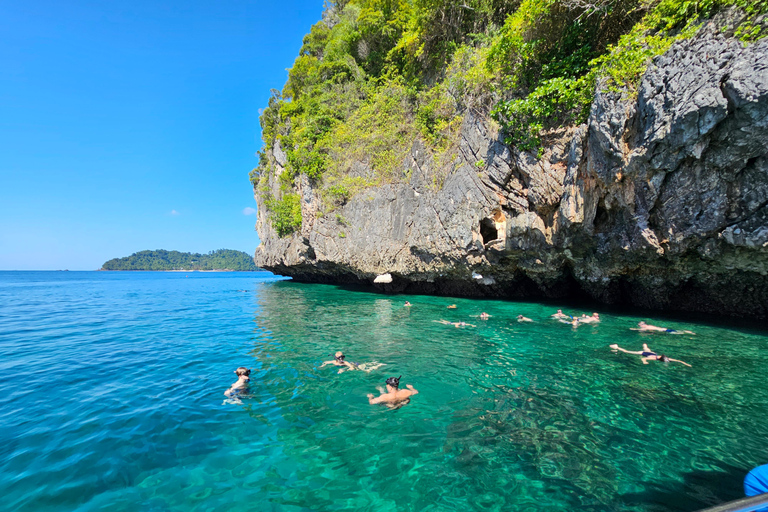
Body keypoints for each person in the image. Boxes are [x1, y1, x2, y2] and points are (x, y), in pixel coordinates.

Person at [610, 343, 692, 367]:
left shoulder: (665, 357)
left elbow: (678, 361)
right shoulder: (654, 359)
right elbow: (644, 359)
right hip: (643, 354)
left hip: (652, 353)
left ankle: (644, 345)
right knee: (626, 351)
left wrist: (686, 363)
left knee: (647, 349)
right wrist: (644, 362)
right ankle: (617, 347)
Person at [320, 351, 385, 374]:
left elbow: (352, 367)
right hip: (351, 365)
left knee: (365, 369)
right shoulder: (334, 362)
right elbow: (325, 362)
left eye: (343, 357)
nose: (342, 359)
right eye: (340, 358)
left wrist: (343, 370)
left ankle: (378, 365)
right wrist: (322, 365)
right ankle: (375, 364)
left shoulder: (345, 362)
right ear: (336, 358)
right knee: (365, 369)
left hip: (355, 364)